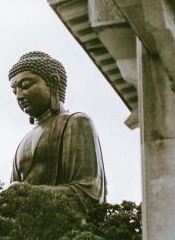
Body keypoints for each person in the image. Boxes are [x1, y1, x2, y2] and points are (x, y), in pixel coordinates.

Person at [7, 51, 106, 204]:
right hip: (26, 226)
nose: (19, 96)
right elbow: (9, 204)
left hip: (67, 225)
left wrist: (28, 192)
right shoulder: (23, 142)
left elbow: (88, 192)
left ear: (53, 83)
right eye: (15, 91)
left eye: (25, 86)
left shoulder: (76, 122)